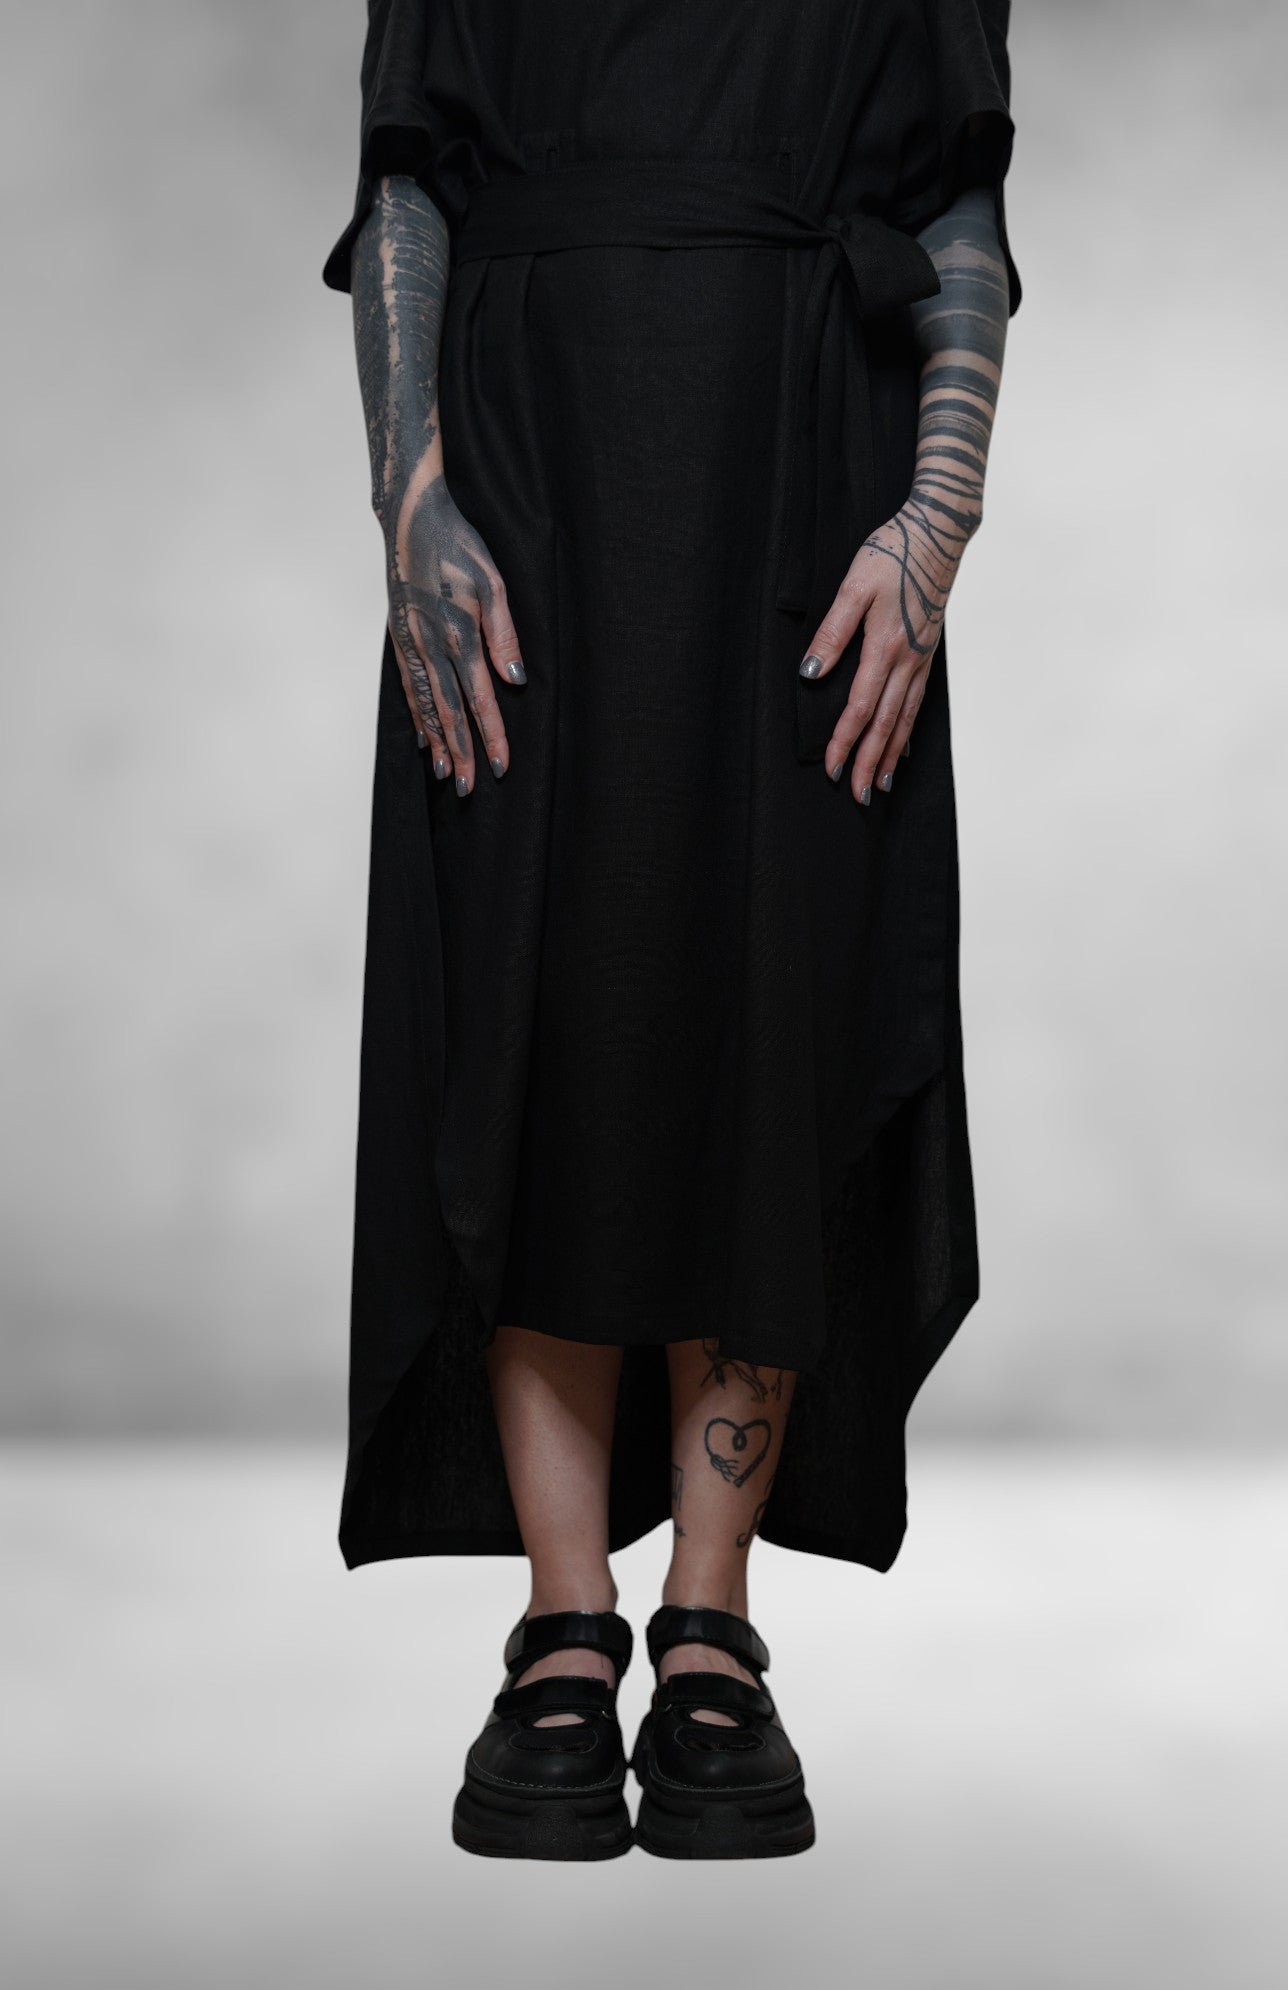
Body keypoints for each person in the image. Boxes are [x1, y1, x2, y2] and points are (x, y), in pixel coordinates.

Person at [321, 0, 1021, 1861]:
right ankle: (564, 1621)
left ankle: (711, 1617)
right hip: (523, 494)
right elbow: (406, 184)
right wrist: (408, 502)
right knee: (544, 1011)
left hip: (809, 486)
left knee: (767, 1010)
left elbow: (957, 204)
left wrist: (934, 525)